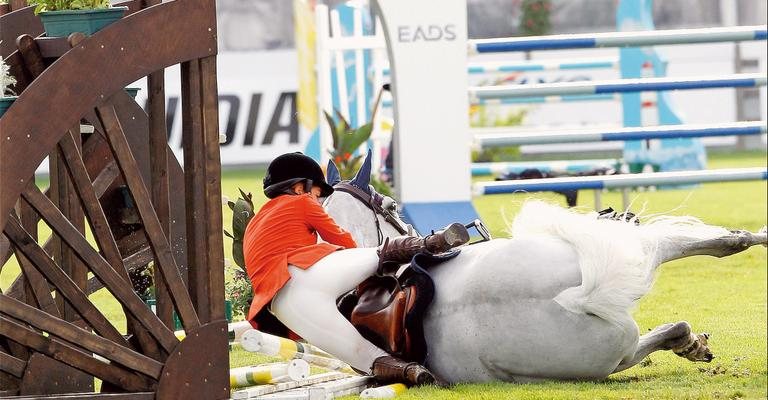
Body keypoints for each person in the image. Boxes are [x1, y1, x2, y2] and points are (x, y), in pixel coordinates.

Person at [242, 152, 470, 386]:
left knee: (364, 355)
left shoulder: (255, 222)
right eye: (318, 194)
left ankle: (412, 373)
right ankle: (432, 242)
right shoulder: (302, 202)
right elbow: (341, 239)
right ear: (301, 188)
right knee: (378, 254)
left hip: (282, 306)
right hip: (304, 272)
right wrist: (361, 262)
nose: (318, 200)